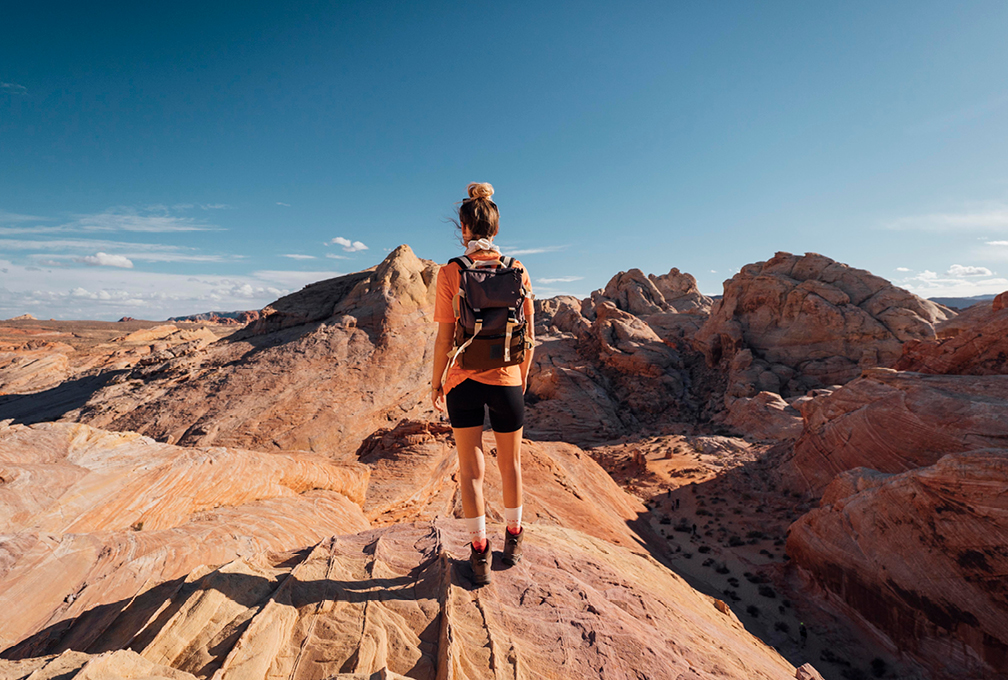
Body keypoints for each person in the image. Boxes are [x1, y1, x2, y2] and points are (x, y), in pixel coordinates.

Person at [431, 182, 535, 586]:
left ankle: (479, 554)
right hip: (508, 377)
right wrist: (520, 377)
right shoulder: (518, 268)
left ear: (463, 228)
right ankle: (514, 538)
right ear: (495, 226)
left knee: (470, 470)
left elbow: (444, 337)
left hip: (464, 379)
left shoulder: (451, 271)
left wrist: (438, 382)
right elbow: (530, 334)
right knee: (511, 464)